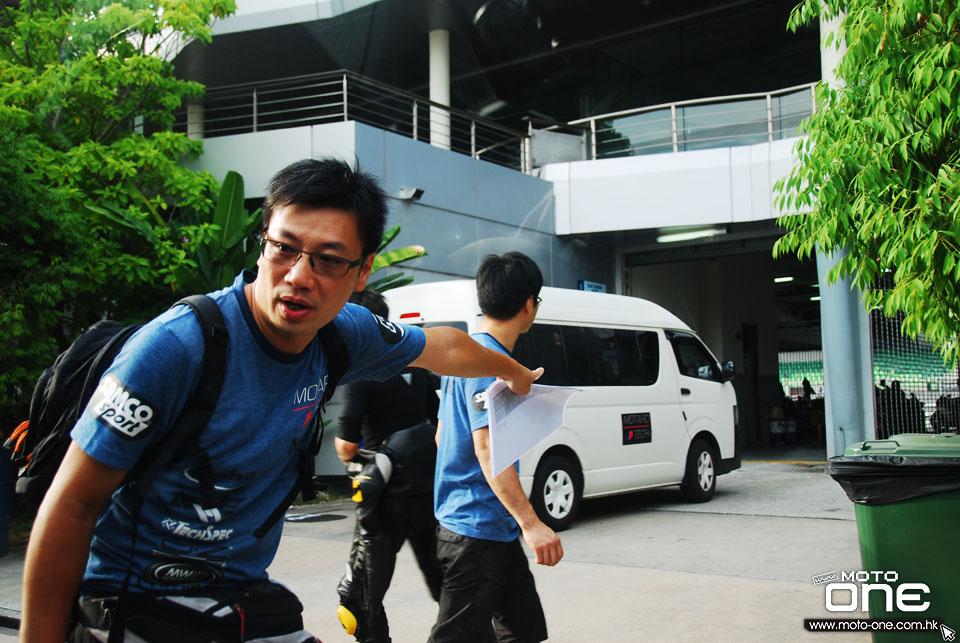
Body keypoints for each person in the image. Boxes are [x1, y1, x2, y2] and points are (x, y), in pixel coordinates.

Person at [20, 158, 543, 643]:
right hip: (134, 601)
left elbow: (445, 346)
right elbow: (72, 503)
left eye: (328, 260)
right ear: (262, 243)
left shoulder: (343, 335)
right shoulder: (177, 347)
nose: (298, 276)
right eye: (284, 248)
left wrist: (516, 372)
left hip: (240, 595)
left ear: (363, 273)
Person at [429, 252, 563, 643]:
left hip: (490, 529)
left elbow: (442, 438)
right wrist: (532, 523)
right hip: (475, 534)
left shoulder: (467, 356)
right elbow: (488, 452)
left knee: (524, 633)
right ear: (528, 305)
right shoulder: (490, 364)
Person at [334, 290, 442, 643]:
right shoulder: (416, 363)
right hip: (426, 492)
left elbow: (347, 446)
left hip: (383, 503)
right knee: (445, 585)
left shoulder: (360, 371)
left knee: (359, 599)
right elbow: (434, 420)